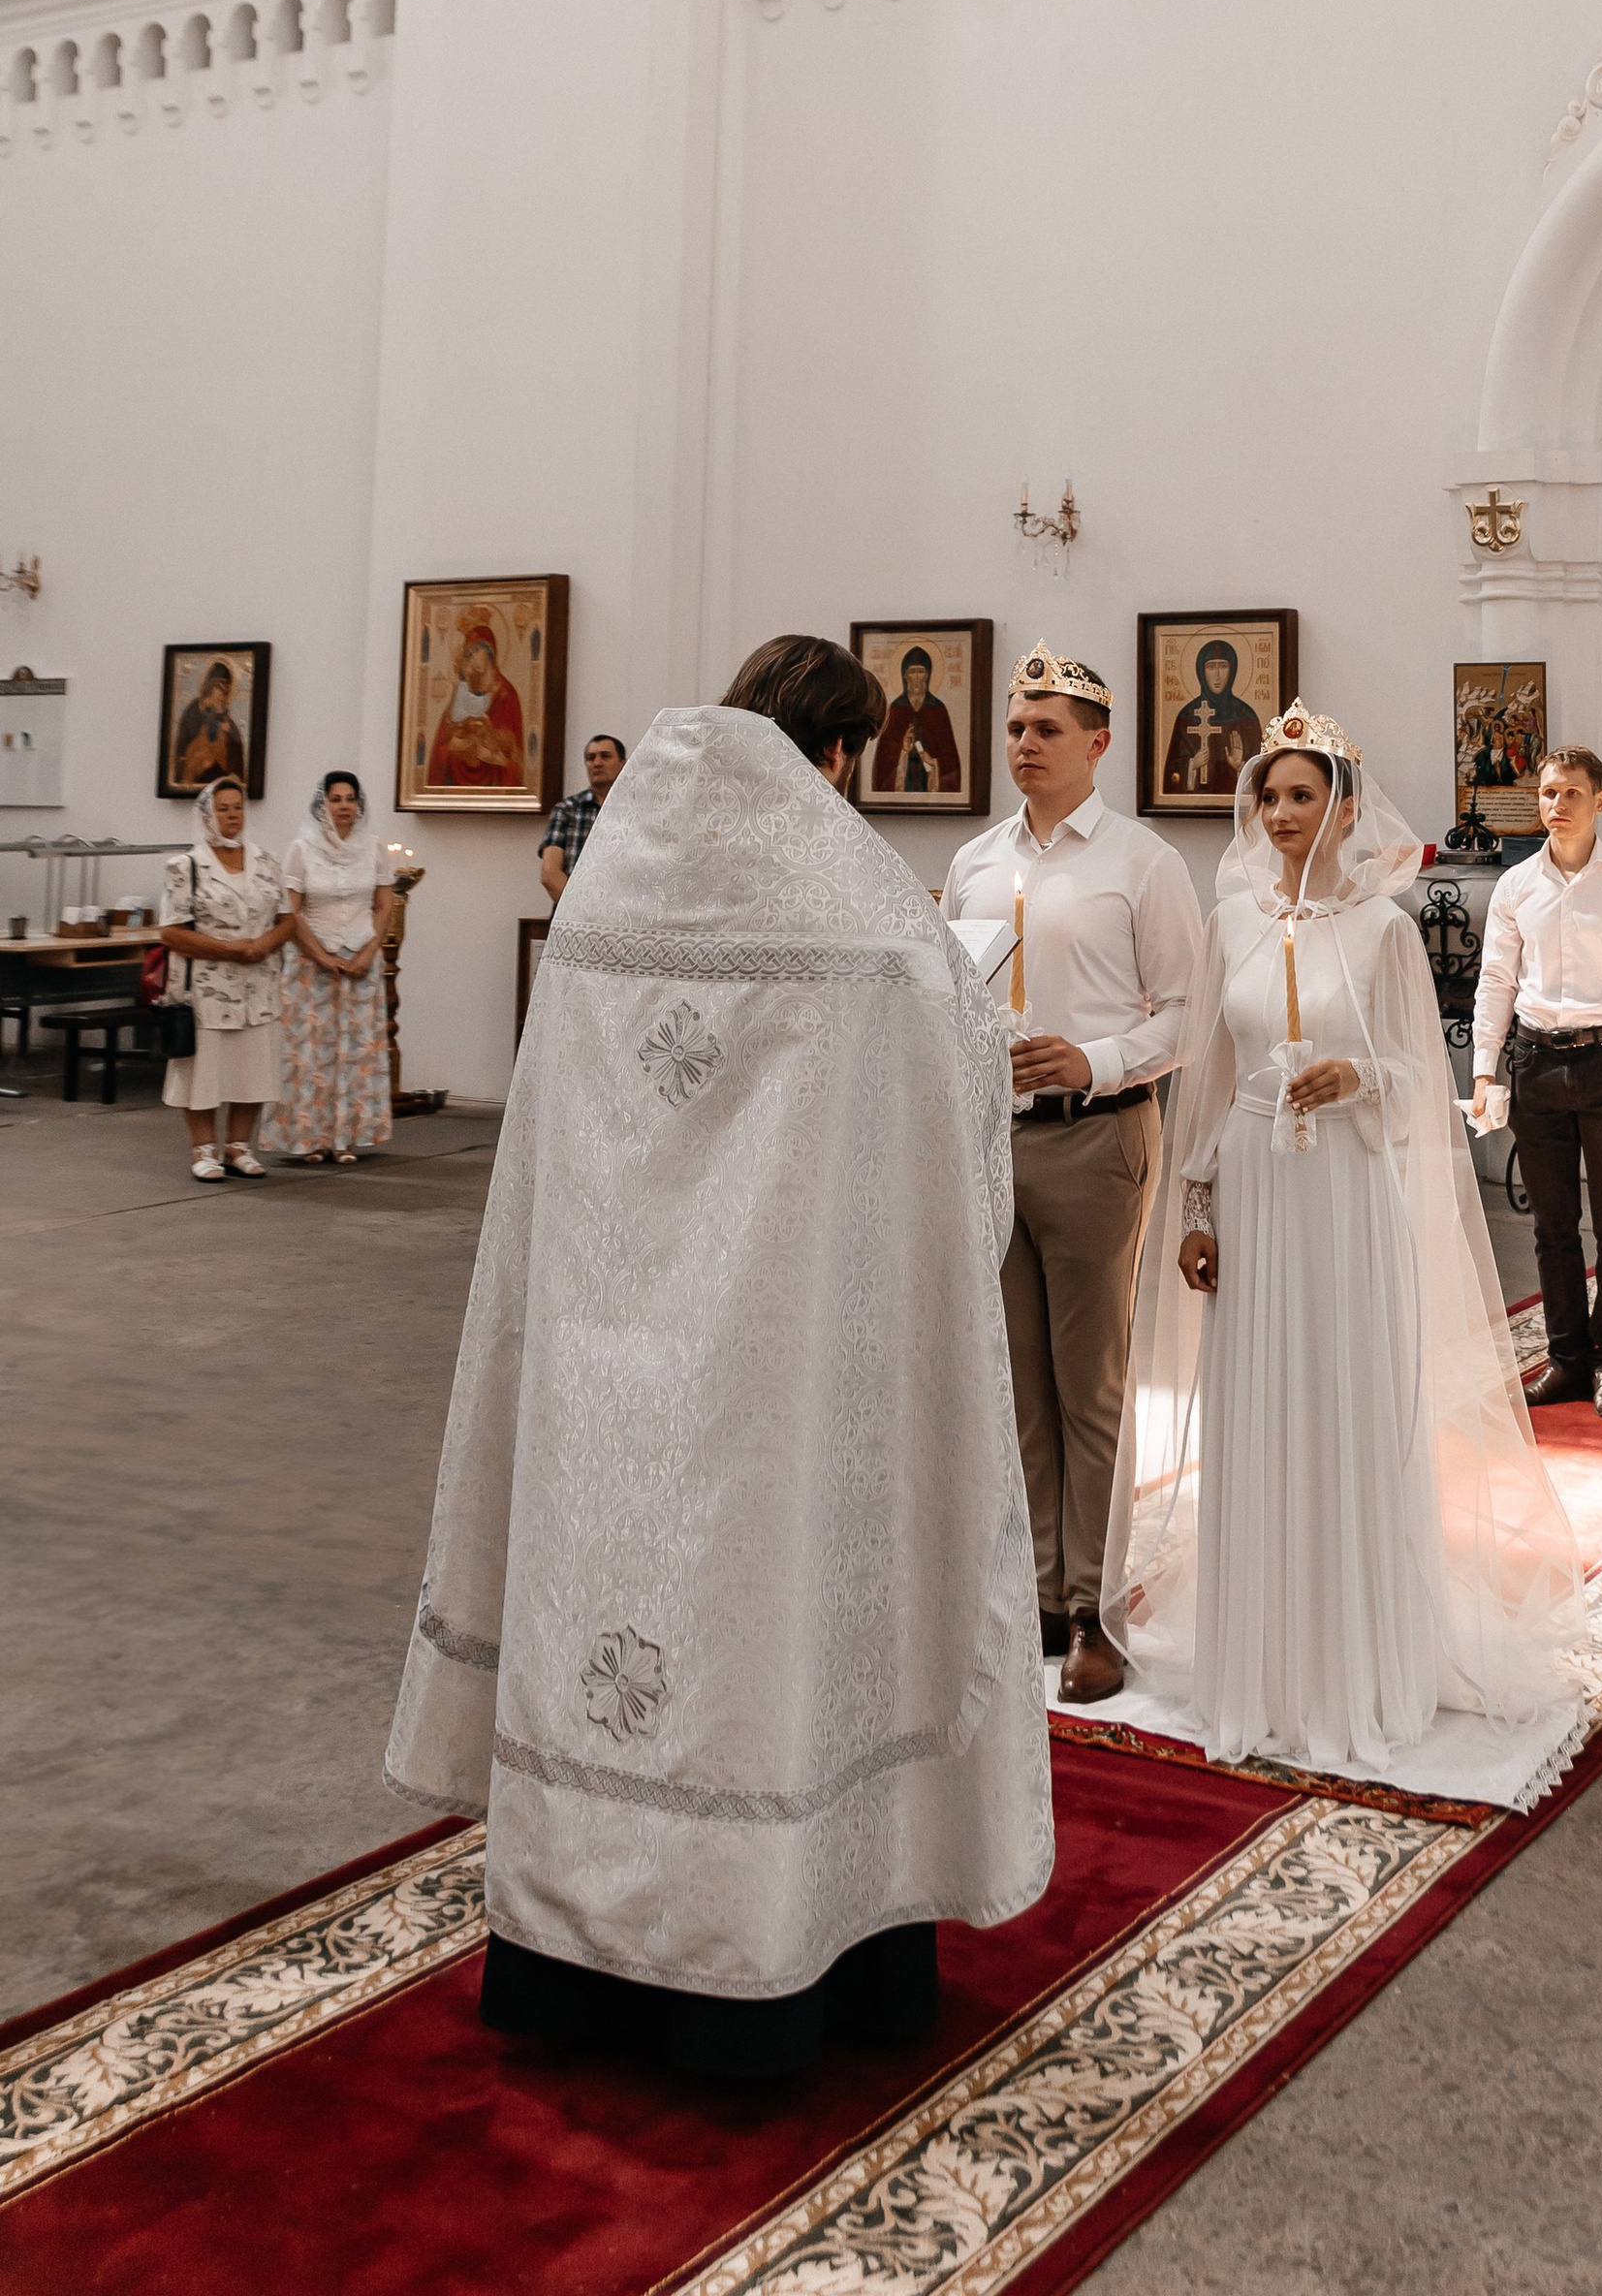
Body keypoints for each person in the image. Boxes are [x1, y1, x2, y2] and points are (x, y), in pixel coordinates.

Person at [385, 633, 1051, 2080]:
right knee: (770, 1625)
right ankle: (779, 1951)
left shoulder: (613, 886)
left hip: (605, 1359)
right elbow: (955, 1102)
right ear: (833, 753)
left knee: (607, 1620)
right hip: (780, 1367)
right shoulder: (862, 910)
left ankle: (572, 1958)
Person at [1104, 704, 1584, 1804]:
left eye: (1300, 796)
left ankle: (1352, 1660)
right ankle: (1263, 1663)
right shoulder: (1231, 924)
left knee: (1342, 1401)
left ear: (1345, 808)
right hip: (1259, 1187)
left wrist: (1359, 1078)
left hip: (1347, 1191)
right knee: (1259, 1405)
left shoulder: (1380, 932)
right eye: (1267, 796)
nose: (1279, 815)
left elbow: (1423, 1083)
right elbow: (1213, 1086)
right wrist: (1195, 1206)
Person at [941, 642, 1202, 1708]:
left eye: (1046, 728)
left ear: (1098, 743)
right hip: (991, 1141)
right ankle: (1038, 1595)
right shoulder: (974, 863)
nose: (1024, 744)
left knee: (1090, 1383)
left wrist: (1092, 1059)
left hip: (1097, 1137)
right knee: (1018, 1385)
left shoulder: (1141, 863)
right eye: (1013, 726)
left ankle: (1096, 1612)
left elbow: (1185, 1015)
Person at [1470, 745, 1602, 1421]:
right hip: (1535, 1066)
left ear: (1600, 800)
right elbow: (1496, 980)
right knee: (1552, 1228)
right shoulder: (1517, 885)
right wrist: (1485, 1070)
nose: (1557, 805)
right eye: (1548, 793)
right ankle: (1564, 1360)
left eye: (1571, 793)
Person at [158, 779, 287, 1181]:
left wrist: (263, 944)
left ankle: (238, 1147)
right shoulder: (186, 866)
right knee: (204, 1069)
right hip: (207, 987)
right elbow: (172, 932)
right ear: (206, 815)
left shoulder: (266, 861)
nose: (233, 816)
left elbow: (288, 920)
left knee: (252, 1066)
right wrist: (231, 950)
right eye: (224, 809)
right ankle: (203, 1150)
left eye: (239, 807)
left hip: (257, 984)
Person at [267, 771, 390, 1165]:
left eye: (350, 799)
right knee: (309, 1054)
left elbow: (385, 906)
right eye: (335, 799)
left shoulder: (374, 848)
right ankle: (307, 1137)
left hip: (360, 959)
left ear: (360, 805)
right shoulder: (301, 850)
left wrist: (370, 950)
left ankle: (345, 1137)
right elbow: (290, 909)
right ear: (322, 806)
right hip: (310, 964)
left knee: (353, 1052)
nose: (344, 807)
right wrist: (319, 955)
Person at [425, 613, 526, 790]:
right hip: (461, 766)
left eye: (476, 651)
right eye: (468, 654)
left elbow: (513, 754)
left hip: (493, 770)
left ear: (489, 652)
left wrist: (491, 744)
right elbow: (444, 737)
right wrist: (455, 742)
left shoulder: (507, 695)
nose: (472, 658)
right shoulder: (464, 690)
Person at [1161, 639, 1260, 802]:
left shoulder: (1246, 716)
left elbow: (1264, 782)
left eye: (1223, 666)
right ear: (1201, 671)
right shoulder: (1187, 716)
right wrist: (1192, 764)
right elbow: (1170, 776)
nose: (1217, 675)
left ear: (1232, 670)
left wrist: (1241, 766)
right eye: (1210, 667)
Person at [539, 731, 627, 898]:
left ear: (623, 764)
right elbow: (549, 873)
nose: (597, 763)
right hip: (572, 915)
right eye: (591, 758)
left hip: (623, 914)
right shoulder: (567, 810)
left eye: (605, 756)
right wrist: (581, 910)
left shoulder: (636, 810)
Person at [871, 652, 963, 802]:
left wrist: (933, 762)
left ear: (927, 675)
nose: (916, 678)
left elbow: (950, 761)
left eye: (921, 672)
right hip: (904, 781)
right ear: (905, 676)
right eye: (912, 672)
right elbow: (883, 764)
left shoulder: (938, 710)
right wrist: (902, 751)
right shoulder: (895, 710)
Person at [171, 656, 249, 791]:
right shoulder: (192, 713)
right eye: (218, 688)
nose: (220, 697)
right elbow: (183, 753)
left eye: (225, 692)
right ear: (209, 688)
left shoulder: (229, 725)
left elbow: (236, 766)